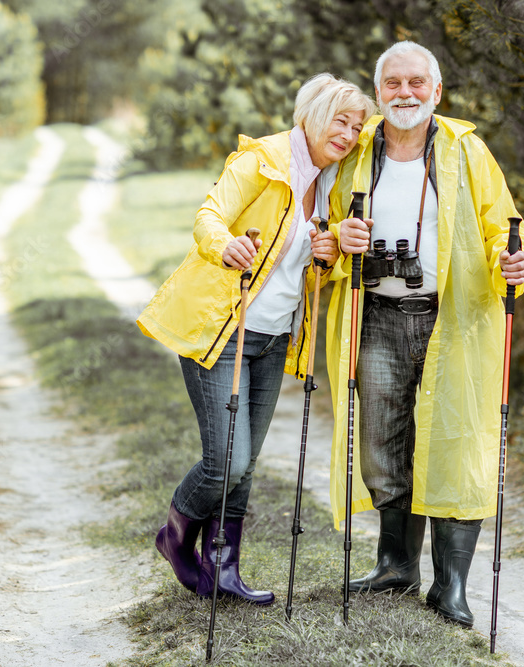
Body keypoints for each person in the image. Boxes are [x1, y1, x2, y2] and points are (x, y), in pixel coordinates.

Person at [137, 73, 376, 605]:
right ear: (311, 114)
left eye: (357, 126)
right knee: (229, 461)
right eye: (340, 120)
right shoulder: (262, 161)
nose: (350, 133)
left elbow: (321, 265)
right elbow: (209, 217)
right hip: (222, 330)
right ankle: (175, 538)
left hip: (273, 339)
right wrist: (225, 247)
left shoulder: (333, 181)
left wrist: (331, 253)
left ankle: (224, 568)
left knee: (244, 466)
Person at [323, 41, 524, 627]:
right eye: (393, 84)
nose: (405, 94)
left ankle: (452, 587)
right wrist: (340, 240)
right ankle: (396, 566)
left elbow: (505, 232)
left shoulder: (467, 151)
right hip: (377, 317)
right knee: (382, 442)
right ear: (378, 94)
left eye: (417, 83)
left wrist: (513, 263)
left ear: (437, 92)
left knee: (456, 444)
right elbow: (328, 230)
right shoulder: (355, 154)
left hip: (453, 320)